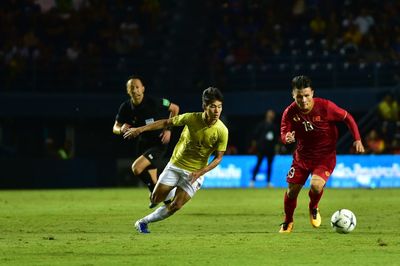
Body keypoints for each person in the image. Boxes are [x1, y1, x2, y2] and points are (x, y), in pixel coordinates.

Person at [123, 87, 228, 233]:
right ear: (205, 107)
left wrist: (200, 172)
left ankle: (143, 222)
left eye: (219, 107)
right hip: (175, 165)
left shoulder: (222, 130)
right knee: (155, 199)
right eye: (213, 106)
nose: (217, 111)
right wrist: (139, 129)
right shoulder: (191, 118)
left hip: (195, 173)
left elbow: (218, 158)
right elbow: (166, 123)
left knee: (176, 206)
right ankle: (169, 194)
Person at [279, 75, 365, 233]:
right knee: (291, 191)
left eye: (306, 95)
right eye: (299, 96)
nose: (303, 100)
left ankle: (313, 207)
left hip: (325, 156)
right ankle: (288, 221)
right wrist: (287, 138)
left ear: (312, 93)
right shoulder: (289, 112)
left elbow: (348, 118)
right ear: (293, 95)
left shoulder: (325, 106)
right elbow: (284, 133)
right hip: (302, 157)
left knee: (316, 186)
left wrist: (357, 139)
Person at [113, 75, 180, 202]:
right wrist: (120, 129)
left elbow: (175, 108)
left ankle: (159, 194)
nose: (135, 90)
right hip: (143, 144)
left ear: (143, 88)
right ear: (128, 91)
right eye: (131, 88)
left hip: (158, 143)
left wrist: (168, 130)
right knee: (153, 180)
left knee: (137, 168)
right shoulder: (125, 107)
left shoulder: (154, 102)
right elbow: (115, 127)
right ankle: (164, 200)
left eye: (137, 87)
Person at [249, 109, 279, 188]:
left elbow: (276, 140)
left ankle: (268, 182)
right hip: (261, 148)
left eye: (272, 114)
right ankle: (252, 181)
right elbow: (255, 137)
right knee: (258, 164)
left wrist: (276, 150)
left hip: (271, 149)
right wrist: (254, 147)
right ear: (267, 114)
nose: (271, 115)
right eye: (269, 113)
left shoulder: (275, 127)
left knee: (269, 165)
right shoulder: (261, 125)